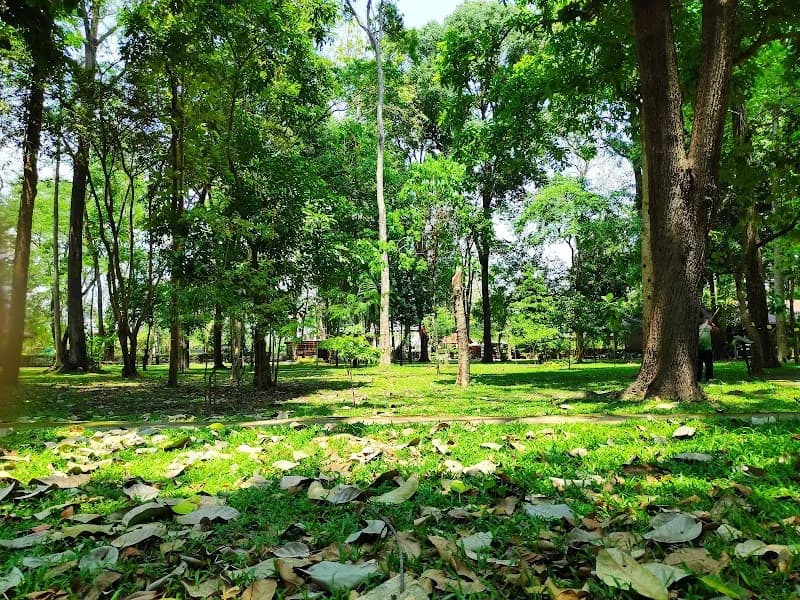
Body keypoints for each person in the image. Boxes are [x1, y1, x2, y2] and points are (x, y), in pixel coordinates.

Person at [698, 316, 714, 382]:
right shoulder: (697, 326)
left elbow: (715, 330)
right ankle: (698, 377)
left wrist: (711, 324)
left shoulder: (708, 326)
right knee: (699, 364)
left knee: (709, 364)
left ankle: (709, 377)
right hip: (699, 348)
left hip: (708, 348)